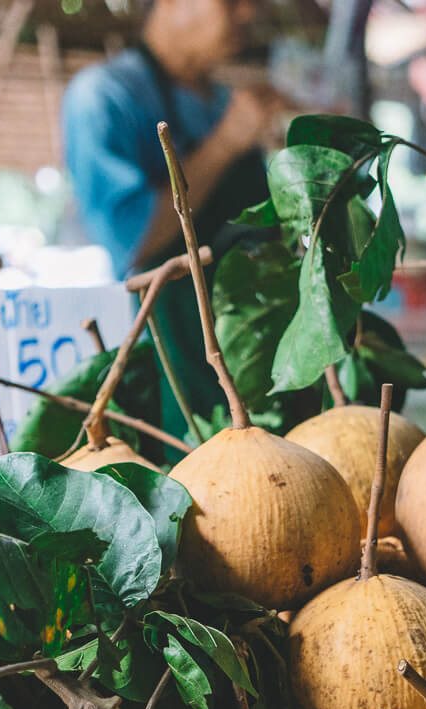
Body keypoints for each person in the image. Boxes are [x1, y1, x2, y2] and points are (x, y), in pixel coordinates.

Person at [62, 0, 287, 436]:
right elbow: (131, 238)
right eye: (233, 2)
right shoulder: (105, 96)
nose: (248, 15)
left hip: (251, 359)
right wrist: (226, 143)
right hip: (169, 374)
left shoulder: (224, 101)